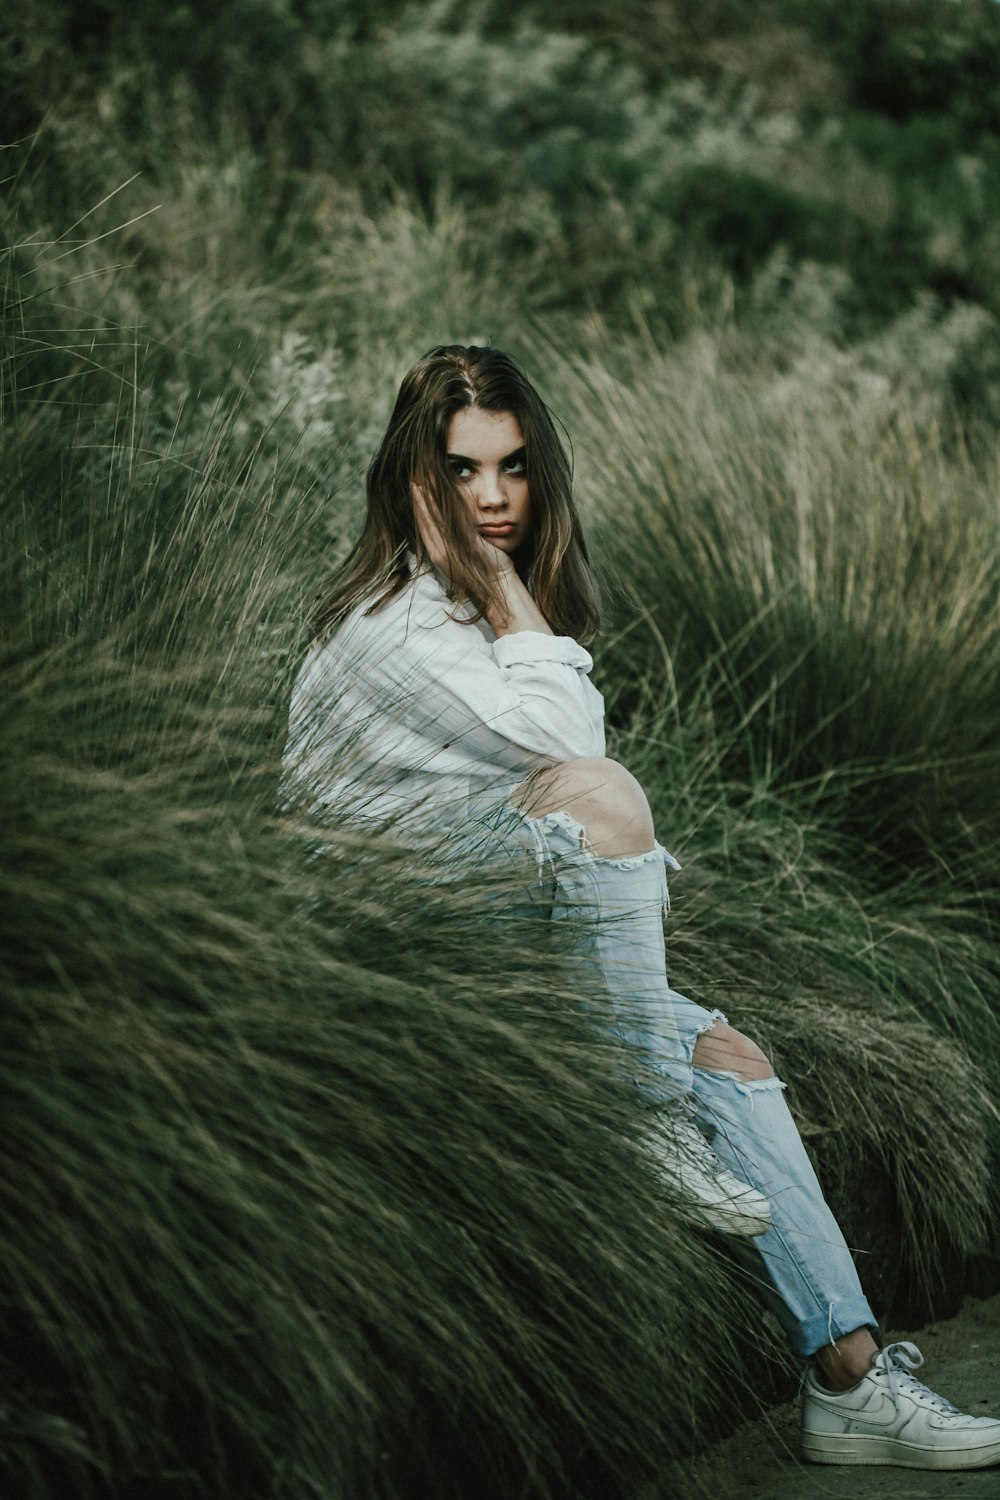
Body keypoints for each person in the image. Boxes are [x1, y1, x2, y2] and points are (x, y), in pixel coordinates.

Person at [284, 344, 1000, 1471]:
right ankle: (639, 1105)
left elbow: (551, 798)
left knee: (737, 1054)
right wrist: (504, 584)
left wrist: (503, 589)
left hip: (487, 934)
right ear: (416, 482)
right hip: (381, 954)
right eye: (462, 471)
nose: (493, 497)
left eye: (514, 468)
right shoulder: (395, 624)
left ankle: (850, 1380)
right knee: (607, 801)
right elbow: (579, 766)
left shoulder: (472, 612)